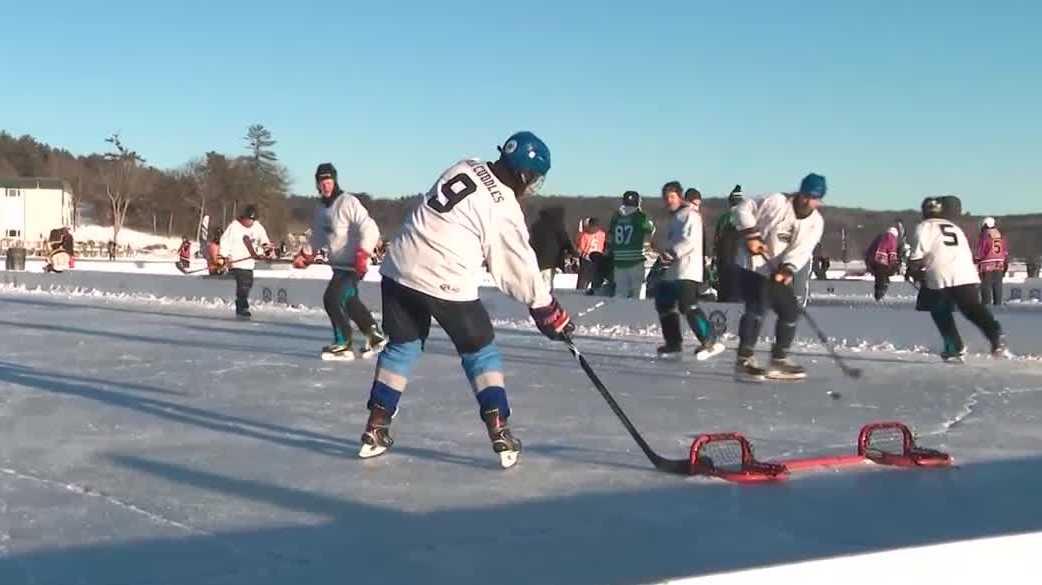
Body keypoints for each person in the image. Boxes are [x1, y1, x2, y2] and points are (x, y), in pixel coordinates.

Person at [358, 131, 574, 469]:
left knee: (402, 346)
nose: (531, 187)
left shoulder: (466, 164)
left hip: (399, 266)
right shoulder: (503, 207)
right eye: (533, 180)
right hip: (445, 277)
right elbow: (515, 265)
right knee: (480, 350)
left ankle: (376, 426)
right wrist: (544, 307)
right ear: (523, 175)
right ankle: (499, 428)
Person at [733, 174, 826, 381]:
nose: (807, 201)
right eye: (805, 195)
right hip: (752, 264)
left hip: (776, 270)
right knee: (757, 307)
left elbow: (802, 250)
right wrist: (751, 234)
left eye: (813, 198)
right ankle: (744, 358)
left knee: (790, 311)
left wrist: (787, 269)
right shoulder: (776, 202)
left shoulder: (816, 223)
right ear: (799, 192)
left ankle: (779, 359)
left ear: (819, 200)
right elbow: (742, 209)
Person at [294, 162, 386, 360]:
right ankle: (375, 337)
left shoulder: (348, 202)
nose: (326, 185)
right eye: (322, 182)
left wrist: (363, 253)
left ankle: (343, 343)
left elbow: (370, 228)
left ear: (335, 181)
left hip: (354, 265)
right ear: (317, 184)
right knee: (349, 301)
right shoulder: (321, 208)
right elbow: (318, 236)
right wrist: (306, 255)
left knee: (332, 299)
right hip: (339, 265)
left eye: (329, 181)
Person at [908, 197, 1009, 362]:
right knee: (971, 308)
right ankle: (995, 333)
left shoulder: (925, 227)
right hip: (965, 272)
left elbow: (917, 255)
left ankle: (954, 346)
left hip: (940, 273)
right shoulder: (955, 227)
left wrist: (913, 269)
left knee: (939, 310)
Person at [654, 181, 724, 361]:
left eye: (672, 196)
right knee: (663, 302)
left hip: (687, 269)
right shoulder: (673, 218)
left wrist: (672, 253)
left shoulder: (690, 215)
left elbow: (689, 242)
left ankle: (710, 339)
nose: (669, 200)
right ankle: (673, 343)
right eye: (666, 197)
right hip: (672, 270)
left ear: (680, 197)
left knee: (687, 305)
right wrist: (663, 254)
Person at [219, 205, 273, 319]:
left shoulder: (257, 226)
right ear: (243, 217)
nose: (250, 222)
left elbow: (263, 239)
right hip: (236, 261)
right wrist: (224, 257)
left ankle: (242, 304)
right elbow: (224, 242)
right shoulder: (234, 226)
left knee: (248, 284)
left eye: (252, 220)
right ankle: (242, 307)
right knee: (243, 283)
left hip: (249, 263)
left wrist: (267, 248)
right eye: (248, 219)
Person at [608, 191, 655, 298]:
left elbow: (611, 235)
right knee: (636, 293)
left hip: (619, 259)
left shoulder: (616, 217)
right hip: (635, 258)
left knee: (620, 292)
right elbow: (651, 229)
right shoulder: (640, 217)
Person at [528, 206, 576, 292]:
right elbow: (564, 239)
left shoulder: (535, 225)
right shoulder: (556, 225)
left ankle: (540, 294)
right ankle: (545, 297)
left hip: (537, 257)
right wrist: (571, 250)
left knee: (541, 278)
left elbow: (531, 241)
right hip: (552, 258)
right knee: (548, 280)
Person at [713, 185, 744, 302]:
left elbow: (716, 240)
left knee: (724, 294)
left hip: (724, 261)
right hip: (742, 262)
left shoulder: (724, 218)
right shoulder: (748, 218)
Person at [974, 216, 1008, 306]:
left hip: (987, 264)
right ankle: (998, 304)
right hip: (999, 263)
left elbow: (981, 251)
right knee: (997, 285)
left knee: (986, 285)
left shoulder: (985, 235)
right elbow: (1005, 251)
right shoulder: (1000, 235)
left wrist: (976, 259)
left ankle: (986, 304)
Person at [864, 227, 900, 301]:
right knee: (882, 278)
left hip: (872, 260)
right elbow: (892, 253)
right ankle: (880, 294)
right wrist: (894, 265)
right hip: (881, 261)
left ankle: (878, 294)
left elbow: (870, 250)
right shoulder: (892, 238)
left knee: (879, 278)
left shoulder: (880, 237)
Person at [575, 217, 606, 291]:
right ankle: (595, 289)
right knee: (596, 277)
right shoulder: (602, 234)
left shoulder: (585, 235)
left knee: (583, 280)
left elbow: (581, 248)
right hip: (598, 258)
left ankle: (581, 290)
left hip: (587, 258)